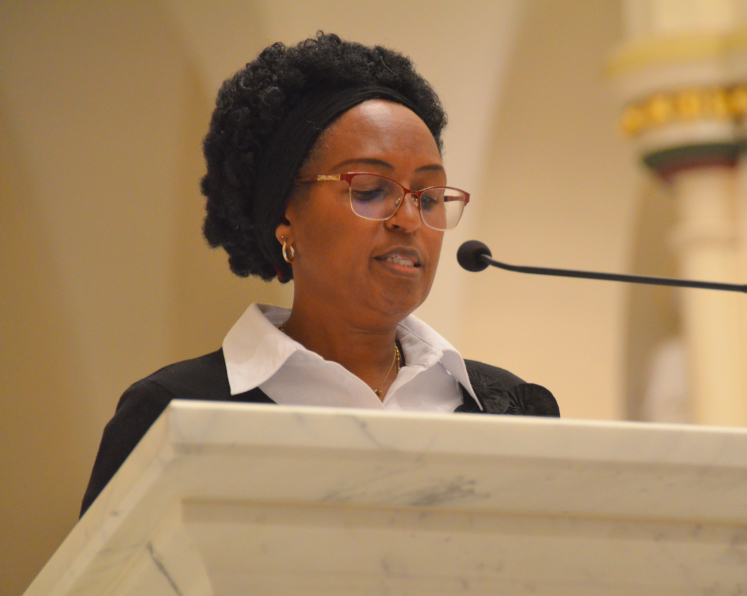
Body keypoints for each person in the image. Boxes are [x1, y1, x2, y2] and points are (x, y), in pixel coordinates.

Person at [80, 33, 558, 516]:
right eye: (371, 189)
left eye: (429, 197)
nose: (409, 219)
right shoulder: (172, 413)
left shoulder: (511, 407)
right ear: (286, 217)